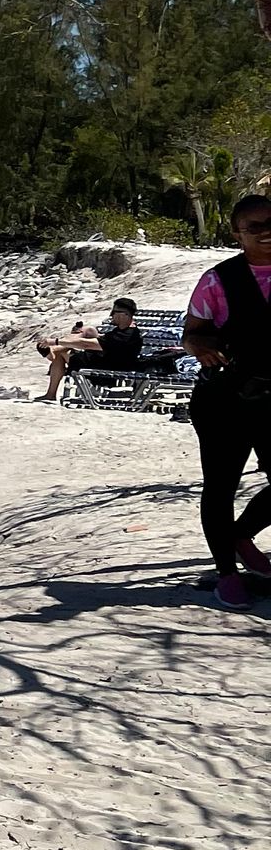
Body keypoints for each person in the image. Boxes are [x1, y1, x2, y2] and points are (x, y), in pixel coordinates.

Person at [181, 193, 271, 607]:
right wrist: (202, 347)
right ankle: (227, 572)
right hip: (224, 400)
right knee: (220, 487)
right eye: (254, 227)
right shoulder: (219, 279)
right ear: (237, 232)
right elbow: (193, 332)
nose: (266, 232)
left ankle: (239, 535)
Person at [34, 297, 150, 401]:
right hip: (106, 361)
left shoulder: (125, 336)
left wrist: (55, 341)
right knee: (82, 336)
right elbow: (104, 342)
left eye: (114, 312)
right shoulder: (124, 331)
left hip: (108, 368)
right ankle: (53, 354)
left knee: (66, 353)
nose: (111, 316)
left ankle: (53, 355)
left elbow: (86, 345)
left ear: (124, 314)